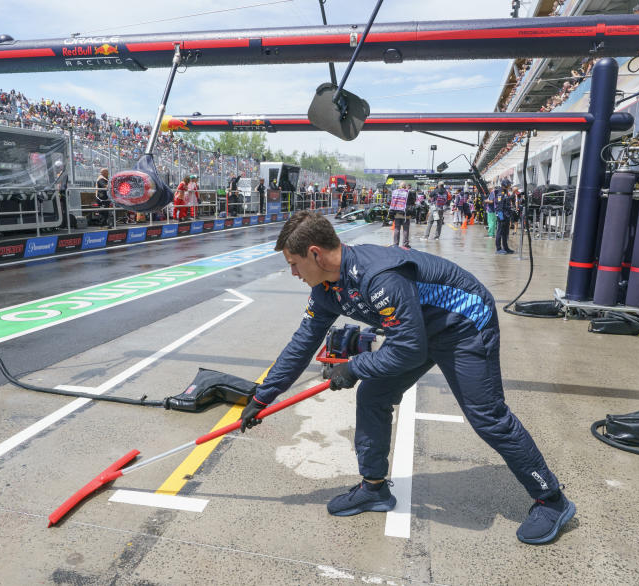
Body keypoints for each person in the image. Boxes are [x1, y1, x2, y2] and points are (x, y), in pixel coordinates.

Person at [239, 211, 574, 544]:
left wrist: (354, 367)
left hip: (463, 325)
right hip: (417, 331)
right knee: (373, 396)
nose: (293, 272)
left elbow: (408, 350)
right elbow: (302, 343)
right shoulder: (326, 288)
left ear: (315, 253)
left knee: (488, 417)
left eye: (294, 263)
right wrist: (261, 397)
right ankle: (373, 489)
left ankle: (551, 500)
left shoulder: (378, 276)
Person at [389, 181, 413, 248]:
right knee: (406, 229)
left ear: (399, 186)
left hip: (397, 213)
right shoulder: (408, 192)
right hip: (406, 213)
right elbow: (412, 202)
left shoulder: (395, 192)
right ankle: (405, 244)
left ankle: (395, 244)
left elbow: (392, 202)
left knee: (397, 229)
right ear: (405, 186)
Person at [494, 182, 516, 254]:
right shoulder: (500, 194)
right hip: (502, 216)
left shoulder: (505, 192)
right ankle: (498, 249)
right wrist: (501, 217)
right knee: (499, 232)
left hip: (506, 215)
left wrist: (512, 196)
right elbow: (499, 207)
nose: (510, 186)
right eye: (509, 185)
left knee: (505, 233)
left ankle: (506, 248)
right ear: (505, 185)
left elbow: (505, 201)